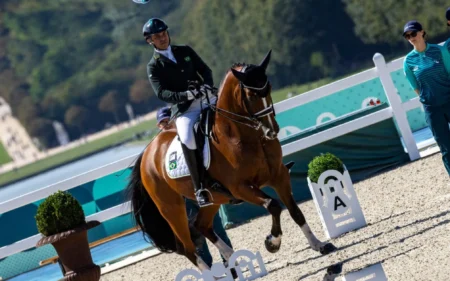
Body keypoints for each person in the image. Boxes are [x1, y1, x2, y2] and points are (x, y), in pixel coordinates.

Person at [143, 17, 216, 207]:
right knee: (186, 137)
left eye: (164, 33)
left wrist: (207, 86)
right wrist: (185, 95)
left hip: (206, 98)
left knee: (235, 113)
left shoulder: (185, 51)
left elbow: (205, 70)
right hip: (186, 109)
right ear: (150, 40)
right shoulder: (153, 66)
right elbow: (162, 92)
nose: (162, 38)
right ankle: (199, 187)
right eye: (157, 36)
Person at [156, 106, 234, 267]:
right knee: (197, 234)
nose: (165, 125)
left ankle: (230, 263)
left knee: (216, 226)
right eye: (162, 123)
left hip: (202, 190)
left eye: (167, 121)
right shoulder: (162, 150)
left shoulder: (189, 138)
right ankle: (209, 268)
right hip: (183, 196)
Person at [403, 20, 450, 175]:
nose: (411, 38)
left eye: (413, 33)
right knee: (446, 148)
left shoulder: (439, 51)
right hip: (432, 109)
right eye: (407, 36)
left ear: (422, 32)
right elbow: (416, 87)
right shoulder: (408, 62)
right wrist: (430, 99)